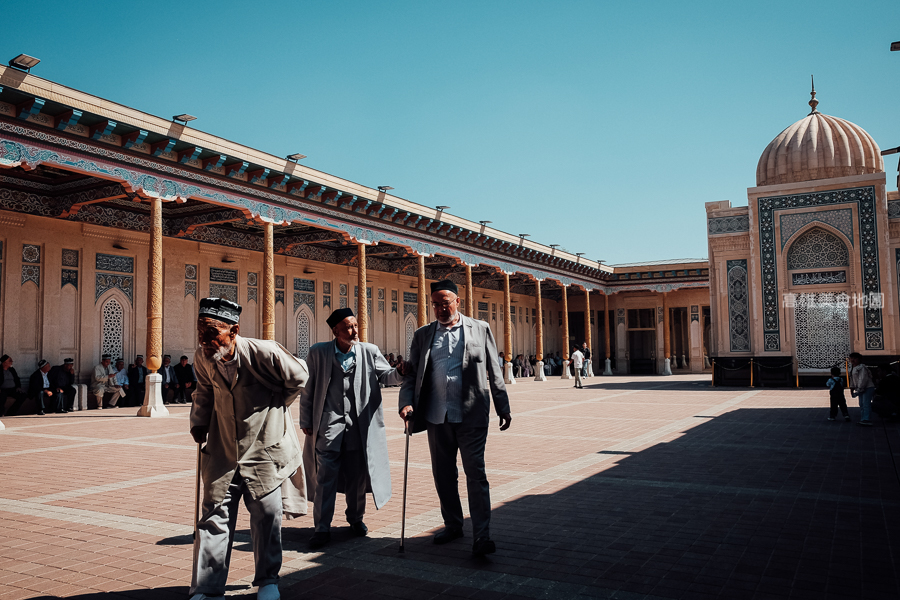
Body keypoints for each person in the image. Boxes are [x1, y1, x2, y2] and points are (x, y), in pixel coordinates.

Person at [189, 297, 309, 600]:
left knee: (267, 516)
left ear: (234, 331)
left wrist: (278, 404)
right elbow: (203, 391)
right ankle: (206, 588)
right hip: (222, 450)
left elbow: (299, 376)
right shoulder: (203, 357)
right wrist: (198, 423)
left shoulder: (263, 352)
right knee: (214, 517)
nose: (205, 340)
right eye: (201, 332)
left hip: (263, 449)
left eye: (212, 332)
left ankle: (268, 581)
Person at [399, 279, 512, 556]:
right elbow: (412, 374)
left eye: (445, 303)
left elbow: (494, 372)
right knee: (444, 476)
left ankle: (481, 537)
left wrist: (503, 406)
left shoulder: (480, 329)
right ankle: (453, 524)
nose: (440, 308)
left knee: (476, 475)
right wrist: (406, 404)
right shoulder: (423, 335)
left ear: (458, 301)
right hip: (437, 416)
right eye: (435, 304)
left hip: (471, 415)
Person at [299, 308, 404, 549]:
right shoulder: (318, 353)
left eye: (356, 325)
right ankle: (321, 527)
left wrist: (399, 372)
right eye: (348, 327)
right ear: (335, 330)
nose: (354, 330)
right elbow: (308, 389)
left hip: (358, 426)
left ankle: (355, 519)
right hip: (328, 425)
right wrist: (306, 420)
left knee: (356, 477)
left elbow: (386, 376)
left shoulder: (369, 351)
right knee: (325, 477)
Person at [848, 352, 875, 426]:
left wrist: (859, 389)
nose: (853, 360)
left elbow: (862, 379)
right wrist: (852, 389)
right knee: (862, 404)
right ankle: (863, 418)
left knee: (866, 403)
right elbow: (852, 379)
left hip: (867, 387)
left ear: (859, 359)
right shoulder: (853, 368)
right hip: (861, 388)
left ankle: (867, 419)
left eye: (855, 359)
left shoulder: (862, 367)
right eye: (851, 359)